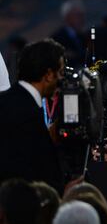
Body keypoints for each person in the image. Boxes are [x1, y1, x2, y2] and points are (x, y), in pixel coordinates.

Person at [0, 39, 66, 192]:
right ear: (49, 75)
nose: (62, 80)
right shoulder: (26, 114)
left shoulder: (12, 102)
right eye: (61, 73)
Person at [51, 0, 88, 69]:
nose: (82, 19)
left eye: (82, 15)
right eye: (78, 15)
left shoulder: (83, 37)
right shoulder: (57, 38)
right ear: (67, 17)